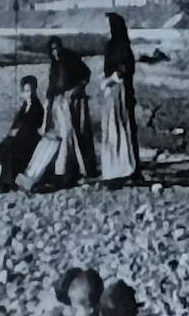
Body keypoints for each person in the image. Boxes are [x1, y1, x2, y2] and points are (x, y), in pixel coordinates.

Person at [34, 37, 97, 189]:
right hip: (59, 105)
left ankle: (74, 170)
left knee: (73, 135)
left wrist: (75, 90)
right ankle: (62, 170)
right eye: (53, 50)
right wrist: (49, 105)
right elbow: (53, 86)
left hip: (73, 103)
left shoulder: (71, 59)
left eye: (57, 49)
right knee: (63, 137)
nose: (56, 53)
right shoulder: (54, 66)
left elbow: (85, 75)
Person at [100, 12, 140, 185]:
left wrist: (113, 79)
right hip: (112, 91)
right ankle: (116, 168)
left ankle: (128, 168)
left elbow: (124, 71)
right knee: (114, 128)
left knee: (123, 127)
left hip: (121, 92)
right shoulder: (114, 46)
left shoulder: (121, 46)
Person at [0, 76, 45, 192]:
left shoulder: (37, 107)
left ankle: (7, 182)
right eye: (26, 91)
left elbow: (32, 127)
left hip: (29, 140)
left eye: (31, 90)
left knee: (11, 152)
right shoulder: (24, 106)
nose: (29, 94)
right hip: (18, 138)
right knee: (0, 150)